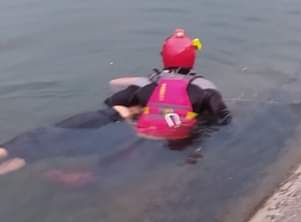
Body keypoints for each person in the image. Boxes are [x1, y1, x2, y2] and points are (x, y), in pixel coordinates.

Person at [0, 29, 230, 176]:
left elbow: (112, 88)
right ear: (193, 59)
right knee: (32, 154)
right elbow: (223, 120)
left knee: (41, 139)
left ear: (164, 57)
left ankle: (7, 151)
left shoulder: (146, 86)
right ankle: (73, 176)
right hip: (157, 141)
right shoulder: (206, 90)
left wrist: (148, 79)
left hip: (119, 127)